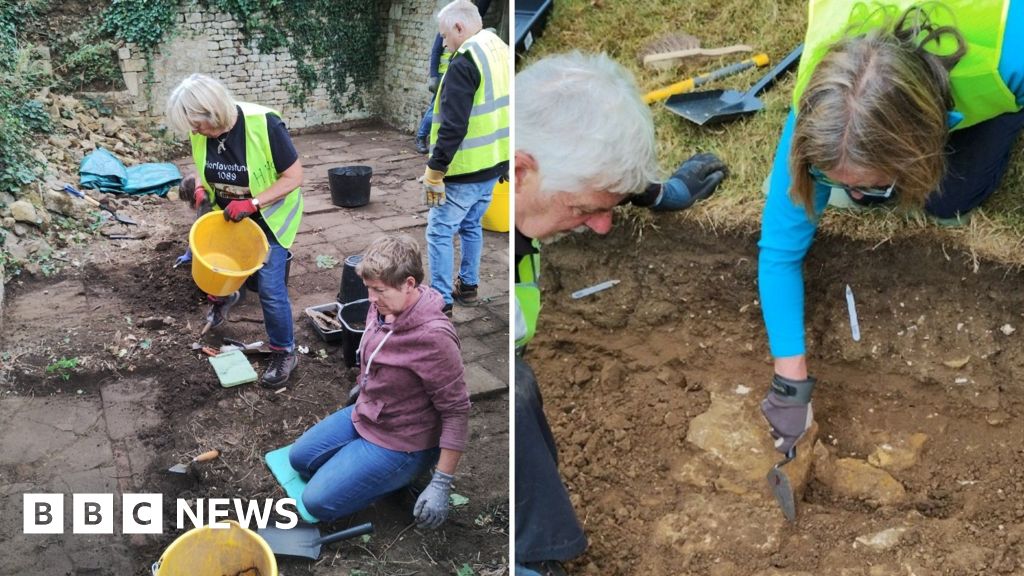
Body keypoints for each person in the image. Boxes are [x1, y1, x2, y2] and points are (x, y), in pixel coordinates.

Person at [757, 0, 1024, 458]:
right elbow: (780, 251)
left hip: (992, 71)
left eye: (870, 184)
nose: (857, 199)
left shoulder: (1011, 53)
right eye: (836, 181)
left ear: (920, 146)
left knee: (949, 199)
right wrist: (789, 381)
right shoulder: (822, 110)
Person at [514, 52, 728, 575]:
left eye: (610, 205)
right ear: (519, 172)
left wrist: (659, 193)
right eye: (587, 209)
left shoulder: (538, 174)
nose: (602, 226)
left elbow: (592, 172)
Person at [286, 234, 470, 527]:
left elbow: (457, 411)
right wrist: (366, 385)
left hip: (403, 439)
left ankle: (406, 474)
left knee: (316, 502)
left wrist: (442, 483)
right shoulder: (384, 306)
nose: (371, 298)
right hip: (370, 413)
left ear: (409, 284)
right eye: (369, 288)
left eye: (379, 290)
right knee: (299, 459)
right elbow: (377, 353)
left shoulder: (434, 339)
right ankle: (369, 468)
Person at [166, 73, 304, 388]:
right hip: (229, 213)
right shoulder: (201, 131)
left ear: (212, 113)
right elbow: (203, 165)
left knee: (270, 289)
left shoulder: (264, 125)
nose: (194, 132)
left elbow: (294, 177)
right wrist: (200, 187)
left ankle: (285, 351)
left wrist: (253, 203)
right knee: (216, 263)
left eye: (196, 124)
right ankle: (225, 296)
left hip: (269, 217)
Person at [423, 0, 509, 317]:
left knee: (439, 231)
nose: (444, 44)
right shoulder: (499, 48)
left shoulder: (465, 61)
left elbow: (453, 126)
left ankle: (441, 300)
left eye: (445, 36)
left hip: (465, 170)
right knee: (472, 224)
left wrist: (435, 170)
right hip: (493, 165)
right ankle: (469, 286)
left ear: (459, 27)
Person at [414, 0, 492, 154]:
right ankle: (421, 136)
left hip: (458, 73)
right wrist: (434, 76)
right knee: (435, 108)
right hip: (443, 74)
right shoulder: (447, 29)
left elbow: (481, 8)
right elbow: (436, 51)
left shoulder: (471, 28)